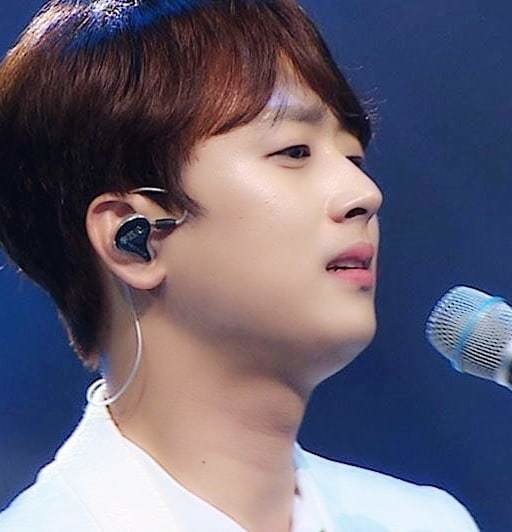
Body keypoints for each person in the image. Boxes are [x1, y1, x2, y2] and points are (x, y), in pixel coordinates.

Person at [0, 1, 479, 530]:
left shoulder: (425, 521)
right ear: (133, 238)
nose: (364, 193)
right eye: (294, 151)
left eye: (354, 158)